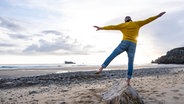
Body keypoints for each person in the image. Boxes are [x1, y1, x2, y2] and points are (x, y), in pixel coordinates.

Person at [94, 11, 166, 85]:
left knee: (113, 55)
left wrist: (101, 28)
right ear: (131, 20)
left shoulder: (123, 25)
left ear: (125, 21)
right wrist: (158, 16)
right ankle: (128, 80)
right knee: (130, 62)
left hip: (124, 43)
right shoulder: (137, 23)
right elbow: (148, 20)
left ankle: (101, 68)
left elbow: (112, 27)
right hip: (133, 45)